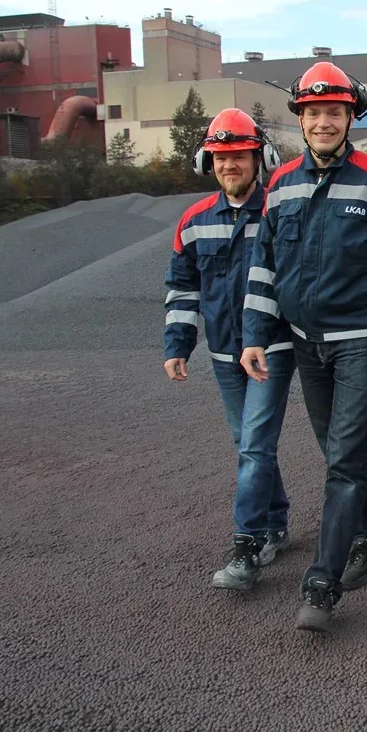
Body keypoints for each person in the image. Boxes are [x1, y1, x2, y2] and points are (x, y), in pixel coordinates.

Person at [240, 60, 367, 633]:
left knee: (343, 458)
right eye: (313, 113)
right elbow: (264, 269)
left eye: (334, 112)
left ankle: (323, 580)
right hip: (304, 345)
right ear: (302, 118)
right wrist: (254, 335)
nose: (323, 122)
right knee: (337, 453)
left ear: (350, 117)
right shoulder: (281, 185)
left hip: (361, 343)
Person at [162, 107, 295, 591]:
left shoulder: (280, 212)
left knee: (255, 446)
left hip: (272, 350)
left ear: (259, 158)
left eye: (240, 156)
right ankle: (276, 520)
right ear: (207, 162)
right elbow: (183, 288)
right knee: (248, 445)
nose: (230, 165)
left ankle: (246, 545)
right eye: (221, 157)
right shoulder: (194, 221)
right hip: (223, 353)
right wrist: (178, 344)